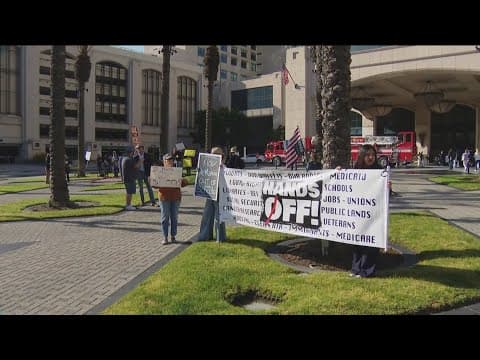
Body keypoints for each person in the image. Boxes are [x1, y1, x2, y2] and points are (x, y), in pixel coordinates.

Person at [348, 144, 387, 278]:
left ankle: (367, 271)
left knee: (371, 244)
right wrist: (339, 173)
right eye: (368, 155)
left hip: (374, 215)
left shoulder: (380, 172)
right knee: (357, 242)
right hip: (358, 214)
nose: (371, 157)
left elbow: (386, 194)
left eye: (373, 155)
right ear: (362, 156)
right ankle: (355, 268)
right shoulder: (355, 170)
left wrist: (388, 187)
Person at [154, 153, 188, 245]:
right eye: (167, 160)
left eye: (171, 160)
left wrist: (183, 180)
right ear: (164, 162)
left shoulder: (177, 171)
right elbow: (154, 185)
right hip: (164, 197)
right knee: (165, 218)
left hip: (175, 197)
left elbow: (185, 183)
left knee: (174, 217)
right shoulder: (159, 172)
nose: (169, 162)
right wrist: (152, 180)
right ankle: (165, 237)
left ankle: (173, 236)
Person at [198, 146, 227, 243]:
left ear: (221, 155)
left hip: (220, 194)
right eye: (212, 154)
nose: (213, 156)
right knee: (207, 215)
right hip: (210, 193)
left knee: (219, 216)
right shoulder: (207, 166)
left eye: (216, 154)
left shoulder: (224, 168)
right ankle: (205, 236)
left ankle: (220, 237)